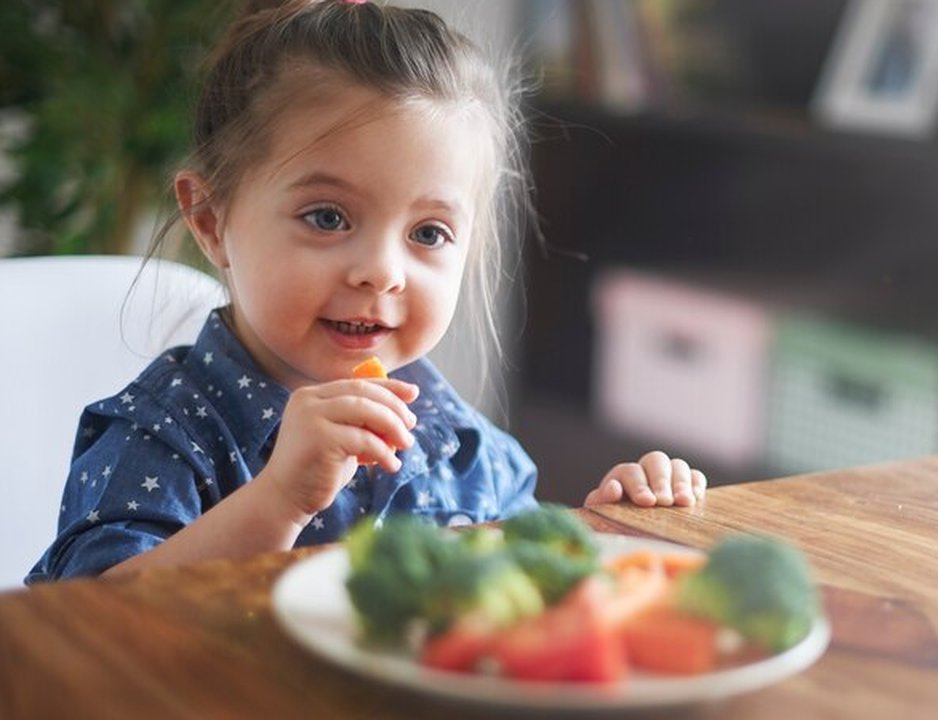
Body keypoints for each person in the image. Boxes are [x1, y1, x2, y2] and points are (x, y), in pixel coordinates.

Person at [28, 0, 705, 584]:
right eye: (328, 217)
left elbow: (515, 600)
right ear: (211, 221)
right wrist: (279, 501)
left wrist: (610, 531)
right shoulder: (166, 433)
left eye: (430, 233)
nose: (382, 272)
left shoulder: (459, 443)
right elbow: (85, 622)